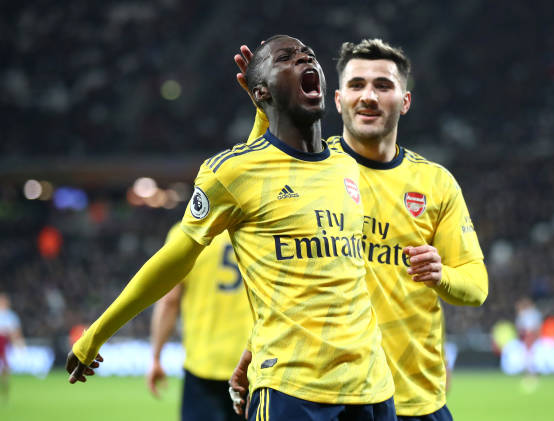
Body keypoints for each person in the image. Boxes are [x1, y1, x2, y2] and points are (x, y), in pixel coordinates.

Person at [66, 35, 396, 421]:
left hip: (374, 389)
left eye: (307, 53)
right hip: (294, 394)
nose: (305, 57)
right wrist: (97, 333)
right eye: (286, 58)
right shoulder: (231, 172)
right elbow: (171, 264)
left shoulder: (347, 165)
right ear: (261, 91)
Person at [232, 38, 488, 421]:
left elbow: (477, 285)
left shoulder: (436, 184)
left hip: (415, 400)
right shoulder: (304, 173)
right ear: (337, 100)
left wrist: (442, 275)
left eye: (382, 85)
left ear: (405, 101)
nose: (368, 96)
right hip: (329, 397)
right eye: (356, 85)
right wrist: (257, 349)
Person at [146, 224, 251, 421]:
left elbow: (169, 301)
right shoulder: (257, 231)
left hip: (203, 364)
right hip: (251, 365)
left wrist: (156, 357)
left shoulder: (186, 232)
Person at [0, 293, 25, 400]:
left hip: (5, 343)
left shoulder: (11, 315)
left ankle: (5, 392)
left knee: (6, 368)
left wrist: (19, 342)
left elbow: (16, 331)